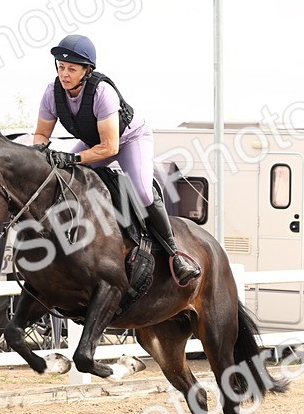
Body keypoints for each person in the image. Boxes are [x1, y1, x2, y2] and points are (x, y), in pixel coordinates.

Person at [33, 34, 201, 285]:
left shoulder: (103, 92)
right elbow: (41, 134)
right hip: (95, 143)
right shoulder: (52, 93)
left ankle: (174, 253)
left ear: (86, 70)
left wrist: (71, 157)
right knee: (59, 177)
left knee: (143, 193)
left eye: (71, 69)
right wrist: (39, 154)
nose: (64, 74)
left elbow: (110, 148)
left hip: (129, 140)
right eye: (60, 67)